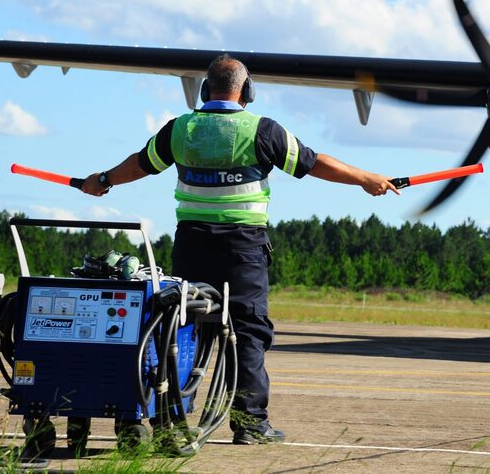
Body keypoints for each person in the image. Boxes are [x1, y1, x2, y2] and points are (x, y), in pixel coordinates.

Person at [81, 53, 399, 445]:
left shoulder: (180, 129)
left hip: (192, 245)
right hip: (243, 249)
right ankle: (249, 425)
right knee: (248, 332)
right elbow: (314, 164)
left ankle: (172, 418)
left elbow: (140, 164)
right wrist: (366, 178)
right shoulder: (262, 131)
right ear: (247, 90)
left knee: (184, 328)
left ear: (204, 89)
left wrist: (103, 179)